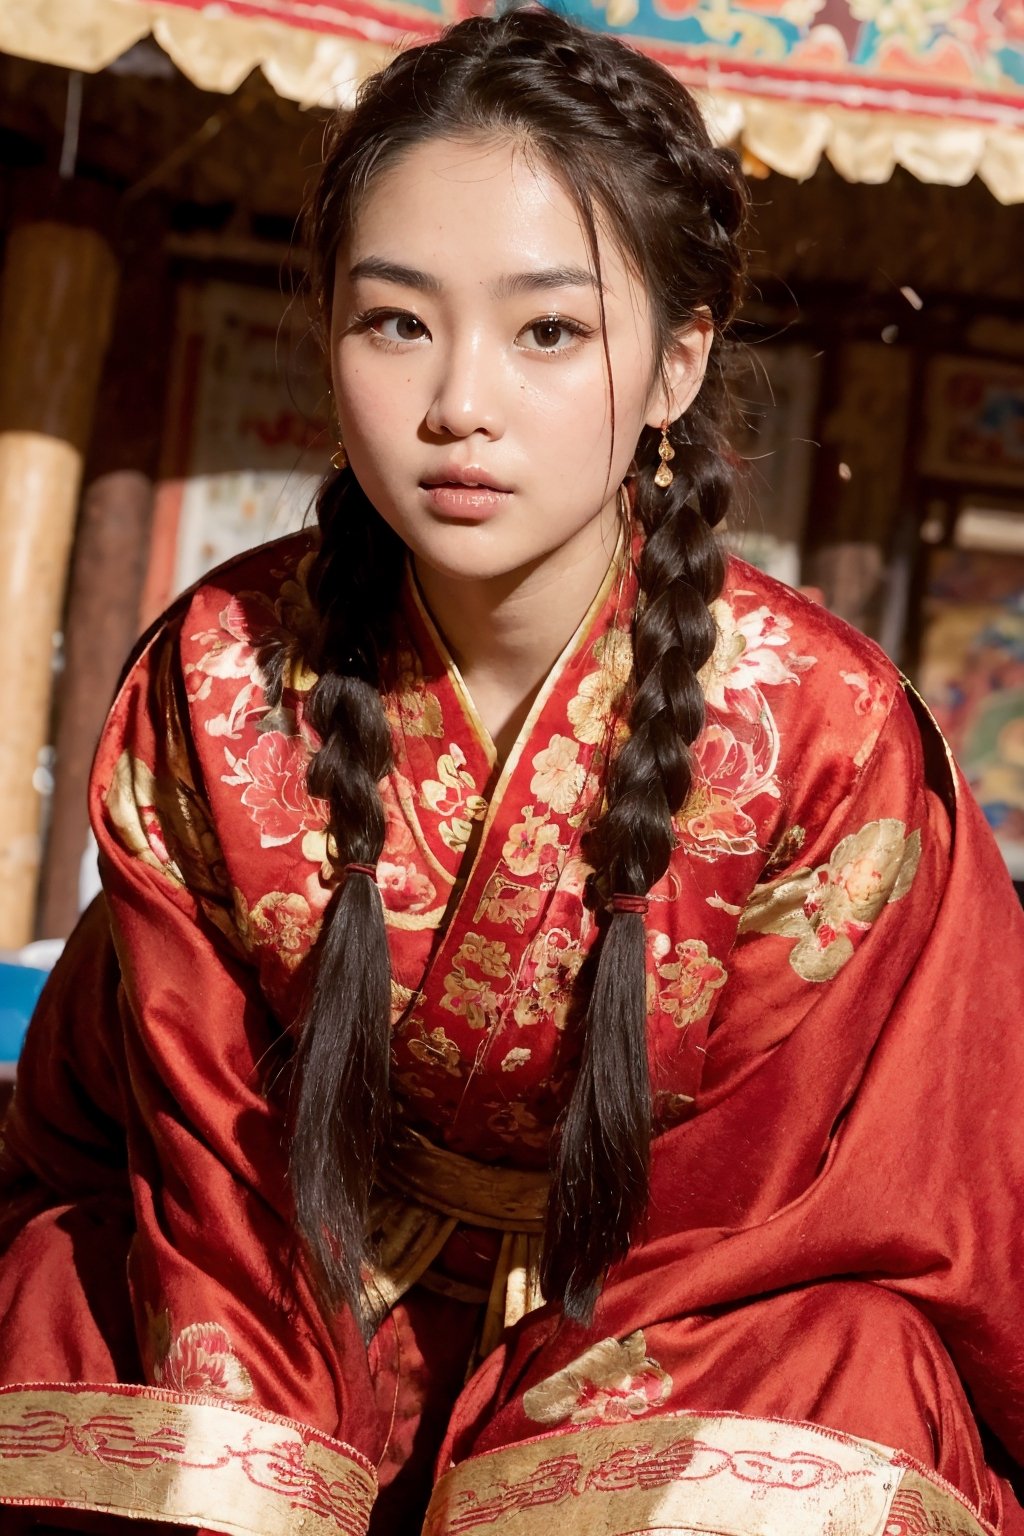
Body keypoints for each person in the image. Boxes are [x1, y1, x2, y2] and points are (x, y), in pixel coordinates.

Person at [1, 9, 1023, 1535]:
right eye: (395, 321)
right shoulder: (216, 681)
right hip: (299, 1266)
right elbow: (204, 1148)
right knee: (73, 1299)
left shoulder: (819, 735)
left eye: (549, 331)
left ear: (677, 363)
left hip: (687, 1309)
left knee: (839, 1373)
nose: (455, 403)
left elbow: (799, 1208)